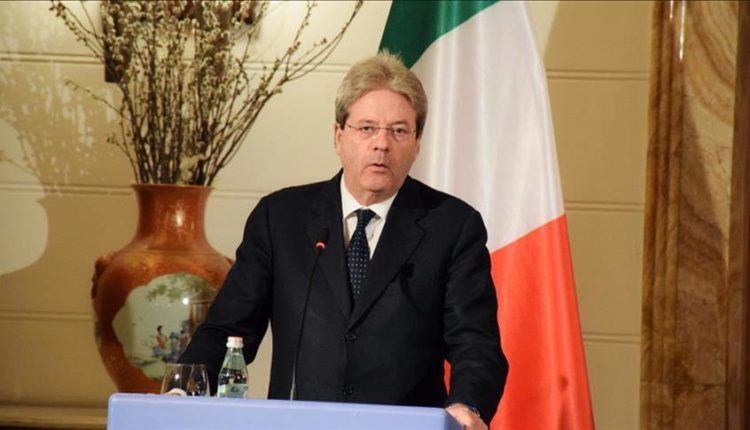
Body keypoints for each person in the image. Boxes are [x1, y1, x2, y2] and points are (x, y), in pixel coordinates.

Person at [180, 52, 508, 430]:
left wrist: (468, 404)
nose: (381, 144)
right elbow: (228, 328)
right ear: (339, 136)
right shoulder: (280, 218)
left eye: (399, 131)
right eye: (366, 128)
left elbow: (475, 343)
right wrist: (181, 391)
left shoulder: (452, 226)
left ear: (417, 143)